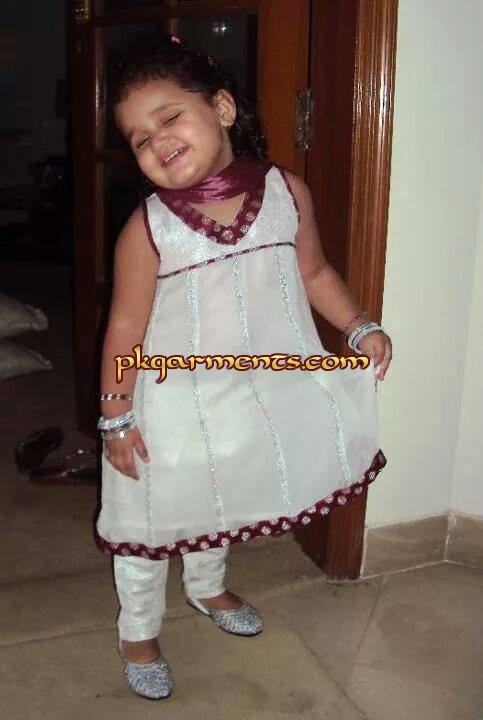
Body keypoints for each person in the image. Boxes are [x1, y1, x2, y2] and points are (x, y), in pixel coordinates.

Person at [95, 37, 392, 701]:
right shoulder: (148, 228)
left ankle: (205, 587)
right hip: (167, 402)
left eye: (169, 118)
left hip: (251, 391)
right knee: (151, 512)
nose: (156, 142)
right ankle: (137, 629)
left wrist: (358, 325)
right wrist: (116, 415)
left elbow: (313, 272)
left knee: (221, 488)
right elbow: (125, 328)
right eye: (139, 139)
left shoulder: (286, 192)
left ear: (223, 109)